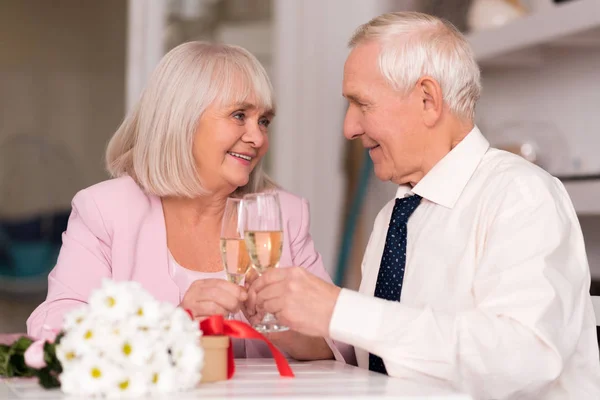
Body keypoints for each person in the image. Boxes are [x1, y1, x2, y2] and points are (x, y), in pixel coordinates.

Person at [248, 12, 600, 399]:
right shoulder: (395, 215)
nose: (349, 127)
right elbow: (391, 359)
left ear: (428, 101)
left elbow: (523, 359)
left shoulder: (521, 196)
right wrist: (304, 333)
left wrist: (340, 309)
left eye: (361, 104)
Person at [27, 41, 352, 363]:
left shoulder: (283, 214)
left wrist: (284, 331)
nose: (258, 138)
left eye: (263, 121)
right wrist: (177, 320)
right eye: (240, 116)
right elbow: (55, 333)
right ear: (181, 119)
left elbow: (343, 345)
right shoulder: (106, 211)